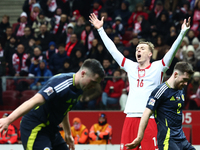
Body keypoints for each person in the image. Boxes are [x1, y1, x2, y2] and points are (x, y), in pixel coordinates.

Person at [89, 13, 190, 150]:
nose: (138, 50)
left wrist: (182, 32)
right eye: (137, 49)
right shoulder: (130, 66)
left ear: (150, 54)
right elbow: (113, 50)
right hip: (130, 117)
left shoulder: (158, 67)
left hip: (150, 119)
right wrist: (100, 30)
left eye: (142, 49)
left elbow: (172, 51)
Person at [0, 58, 104, 150]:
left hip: (51, 129)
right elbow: (33, 101)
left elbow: (64, 109)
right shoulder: (61, 83)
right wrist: (8, 119)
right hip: (35, 127)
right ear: (83, 74)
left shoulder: (80, 88)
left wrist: (67, 133)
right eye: (93, 82)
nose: (94, 86)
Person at [125, 62, 195, 150]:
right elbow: (146, 114)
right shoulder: (160, 91)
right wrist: (139, 137)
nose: (185, 83)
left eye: (187, 81)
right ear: (176, 74)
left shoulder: (180, 90)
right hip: (167, 140)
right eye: (184, 79)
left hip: (181, 139)